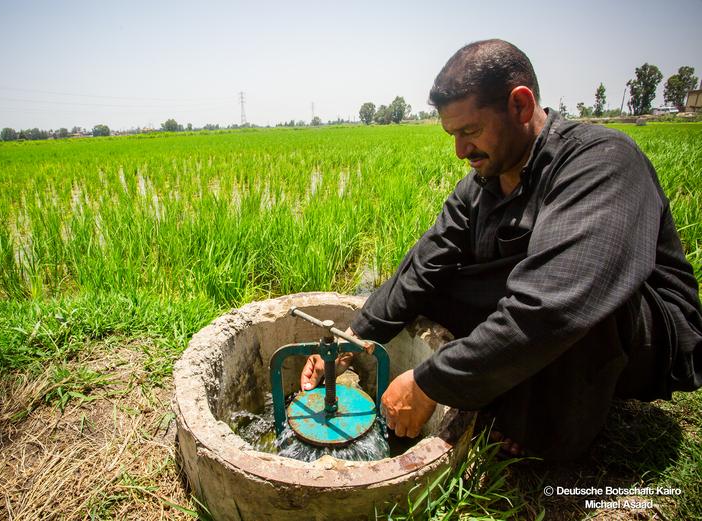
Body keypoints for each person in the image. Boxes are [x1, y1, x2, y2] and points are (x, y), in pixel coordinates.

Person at [300, 39, 702, 460]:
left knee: (573, 298)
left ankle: (547, 433)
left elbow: (556, 304)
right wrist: (351, 339)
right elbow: (423, 267)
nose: (460, 151)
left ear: (521, 106)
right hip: (548, 298)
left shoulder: (601, 161)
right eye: (452, 135)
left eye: (470, 131)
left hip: (638, 332)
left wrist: (429, 383)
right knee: (434, 287)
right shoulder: (481, 183)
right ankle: (511, 384)